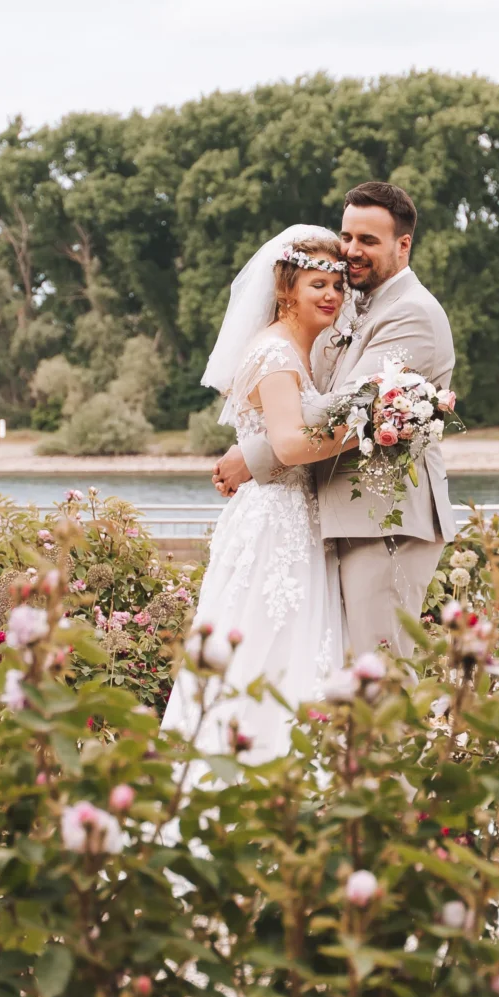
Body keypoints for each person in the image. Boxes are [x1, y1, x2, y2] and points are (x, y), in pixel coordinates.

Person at [212, 181, 455, 661]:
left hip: (384, 523)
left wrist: (254, 454)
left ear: (403, 245)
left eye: (368, 240)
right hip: (340, 517)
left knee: (379, 671)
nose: (351, 251)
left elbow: (350, 408)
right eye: (347, 236)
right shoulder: (352, 305)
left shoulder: (412, 314)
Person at [160, 227, 352, 760]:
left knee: (293, 643)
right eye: (318, 284)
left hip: (294, 515)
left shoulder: (299, 350)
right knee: (267, 639)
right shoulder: (275, 354)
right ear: (287, 288)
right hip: (276, 522)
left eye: (338, 285)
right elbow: (288, 444)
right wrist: (366, 426)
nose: (332, 295)